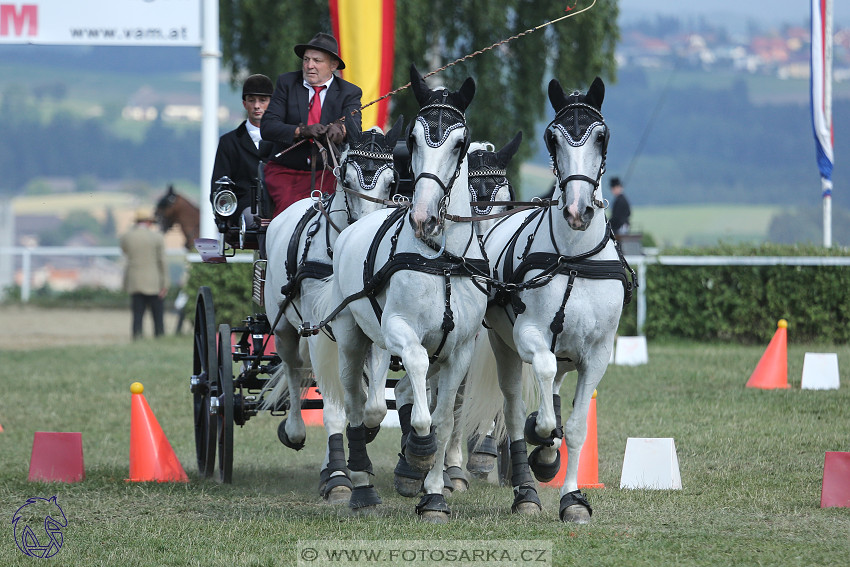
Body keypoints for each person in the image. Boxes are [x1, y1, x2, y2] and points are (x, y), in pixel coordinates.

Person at [260, 32, 362, 217]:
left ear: (333, 65)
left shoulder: (350, 92)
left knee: (334, 216)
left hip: (330, 173)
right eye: (306, 60)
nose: (309, 66)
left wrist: (341, 129)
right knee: (291, 215)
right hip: (287, 172)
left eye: (317, 60)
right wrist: (302, 130)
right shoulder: (287, 83)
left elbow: (355, 128)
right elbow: (268, 127)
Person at [211, 73, 274, 227]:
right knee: (255, 218)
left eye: (263, 100)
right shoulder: (229, 142)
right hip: (245, 208)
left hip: (280, 202)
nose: (257, 106)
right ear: (244, 104)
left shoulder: (284, 140)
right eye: (251, 101)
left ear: (271, 103)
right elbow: (218, 186)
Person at [121, 209, 169, 339]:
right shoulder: (157, 237)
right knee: (157, 315)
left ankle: (137, 336)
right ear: (149, 222)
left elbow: (125, 251)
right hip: (154, 281)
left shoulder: (127, 237)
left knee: (137, 314)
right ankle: (159, 336)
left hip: (135, 281)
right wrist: (165, 283)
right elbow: (162, 261)